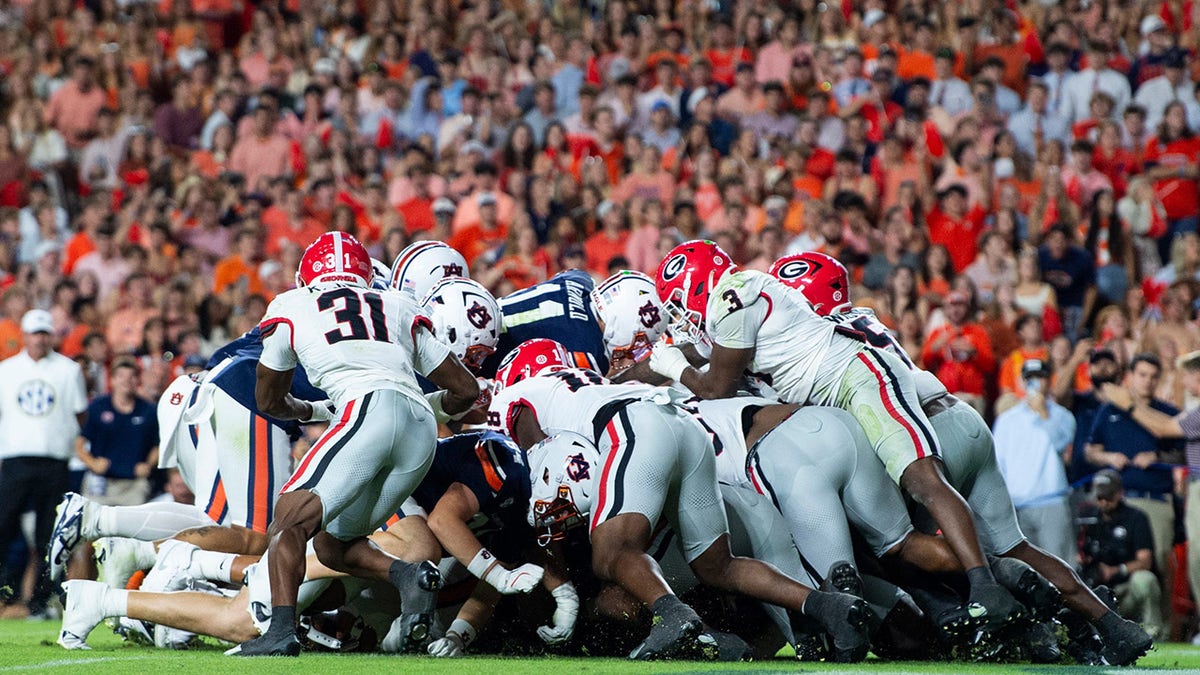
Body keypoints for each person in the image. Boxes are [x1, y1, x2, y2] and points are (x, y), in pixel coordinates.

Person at [647, 241, 1024, 634]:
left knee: (921, 486)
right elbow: (703, 353)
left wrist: (676, 368)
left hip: (855, 382)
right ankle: (995, 592)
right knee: (893, 542)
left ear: (697, 285)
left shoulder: (733, 296)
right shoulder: (739, 300)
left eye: (678, 301)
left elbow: (716, 386)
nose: (680, 315)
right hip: (849, 403)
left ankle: (986, 584)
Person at [489, 345, 875, 662]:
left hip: (633, 427)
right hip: (684, 426)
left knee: (611, 553)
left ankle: (672, 615)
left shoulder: (514, 398)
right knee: (717, 565)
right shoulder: (585, 385)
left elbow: (544, 451)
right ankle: (830, 608)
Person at [221, 232, 482, 656]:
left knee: (287, 523)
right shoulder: (397, 305)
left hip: (366, 410)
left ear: (308, 275)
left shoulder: (292, 304)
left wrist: (306, 411)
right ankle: (407, 576)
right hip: (419, 432)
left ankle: (280, 632)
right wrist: (420, 404)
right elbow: (465, 391)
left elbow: (267, 398)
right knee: (332, 544)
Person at [1098, 350, 1200, 634]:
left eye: (1188, 376)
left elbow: (1164, 428)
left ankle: (1166, 629)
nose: (1185, 382)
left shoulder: (1190, 412)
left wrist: (1127, 404)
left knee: (1195, 559)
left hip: (1181, 492)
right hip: (1165, 491)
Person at [0, 309, 88, 618]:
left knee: (48, 536)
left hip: (54, 460)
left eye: (44, 333)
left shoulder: (68, 370)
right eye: (34, 333)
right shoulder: (6, 370)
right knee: (3, 527)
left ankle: (38, 601)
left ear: (51, 335)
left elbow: (79, 414)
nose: (39, 339)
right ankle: (5, 594)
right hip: (14, 458)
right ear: (23, 336)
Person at [1085, 353, 1181, 588]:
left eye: (1153, 376)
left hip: (1155, 500)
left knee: (1157, 566)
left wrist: (1157, 456)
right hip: (1116, 501)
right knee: (1112, 566)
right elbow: (1089, 451)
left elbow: (1182, 454)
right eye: (1142, 375)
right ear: (1130, 376)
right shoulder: (1109, 411)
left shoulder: (1167, 412)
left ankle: (1160, 625)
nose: (1148, 381)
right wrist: (1108, 456)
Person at [993, 359, 1077, 565]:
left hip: (1051, 502)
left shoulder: (1062, 416)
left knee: (1060, 569)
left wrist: (1043, 413)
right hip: (1016, 507)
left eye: (1040, 377)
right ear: (1021, 382)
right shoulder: (1006, 420)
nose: (1035, 383)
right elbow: (998, 463)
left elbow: (1061, 442)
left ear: (1049, 381)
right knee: (1024, 571)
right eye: (1029, 378)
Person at [1079, 470, 1163, 638]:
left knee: (1145, 579)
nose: (1103, 502)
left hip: (1126, 590)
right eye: (1099, 497)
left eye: (1108, 497)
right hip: (1096, 592)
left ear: (1119, 493)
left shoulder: (1136, 517)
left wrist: (1115, 570)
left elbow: (1145, 561)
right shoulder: (1087, 519)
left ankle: (1152, 634)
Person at [75, 357, 158, 508]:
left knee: (132, 528)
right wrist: (92, 463)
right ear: (112, 380)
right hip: (101, 482)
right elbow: (80, 444)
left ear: (138, 380)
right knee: (94, 527)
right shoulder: (98, 407)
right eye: (121, 376)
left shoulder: (148, 410)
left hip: (133, 484)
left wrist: (148, 465)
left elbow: (158, 445)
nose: (126, 381)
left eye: (132, 376)